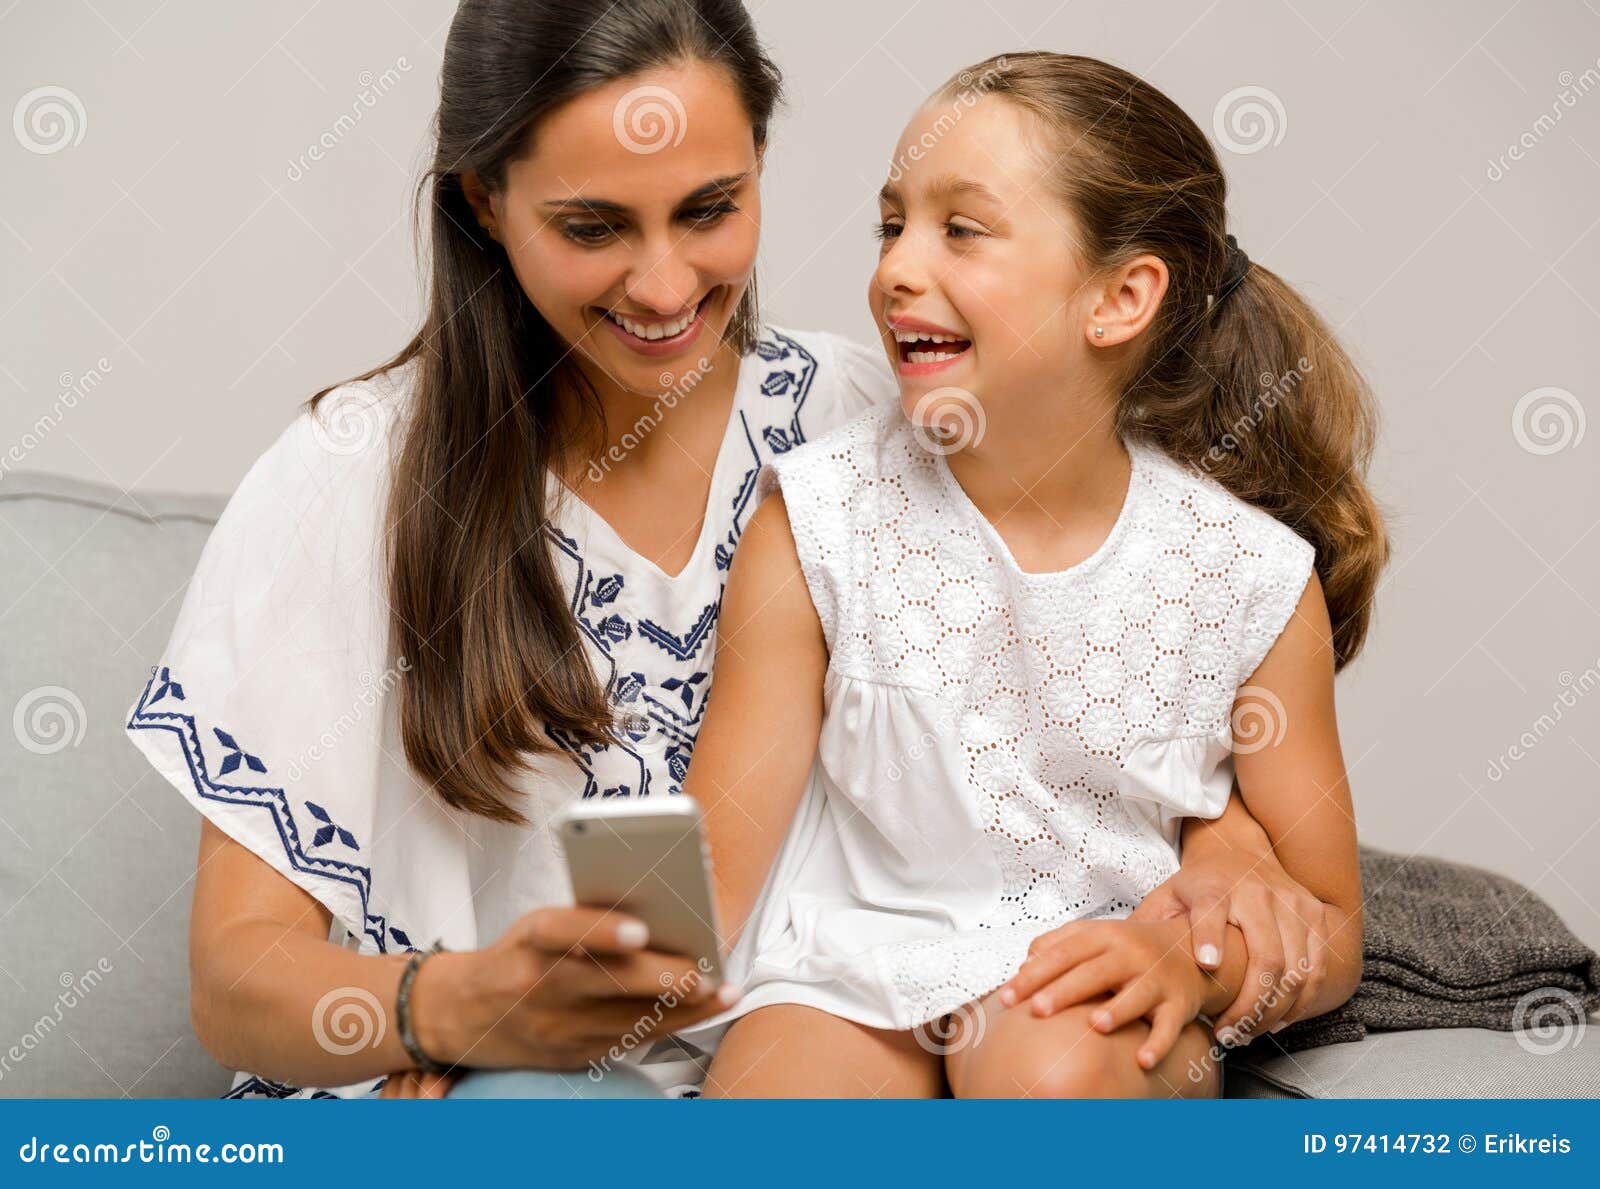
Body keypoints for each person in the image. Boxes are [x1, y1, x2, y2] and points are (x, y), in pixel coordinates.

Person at [125, 4, 1335, 1101]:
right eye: (593, 225)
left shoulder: (890, 416)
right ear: (483, 204)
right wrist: (455, 1008)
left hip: (829, 1050)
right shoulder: (353, 474)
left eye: (710, 209)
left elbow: (1120, 652)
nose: (664, 285)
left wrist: (1222, 843)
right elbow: (235, 982)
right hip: (507, 1084)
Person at [688, 51, 1385, 1098]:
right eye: (892, 225)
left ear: (1120, 297)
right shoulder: (819, 519)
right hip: (848, 967)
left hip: (1090, 954)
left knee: (1048, 1078)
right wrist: (536, 1000)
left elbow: (1327, 927)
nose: (895, 269)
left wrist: (1189, 965)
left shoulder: (1246, 578)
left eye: (959, 230)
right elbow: (711, 866)